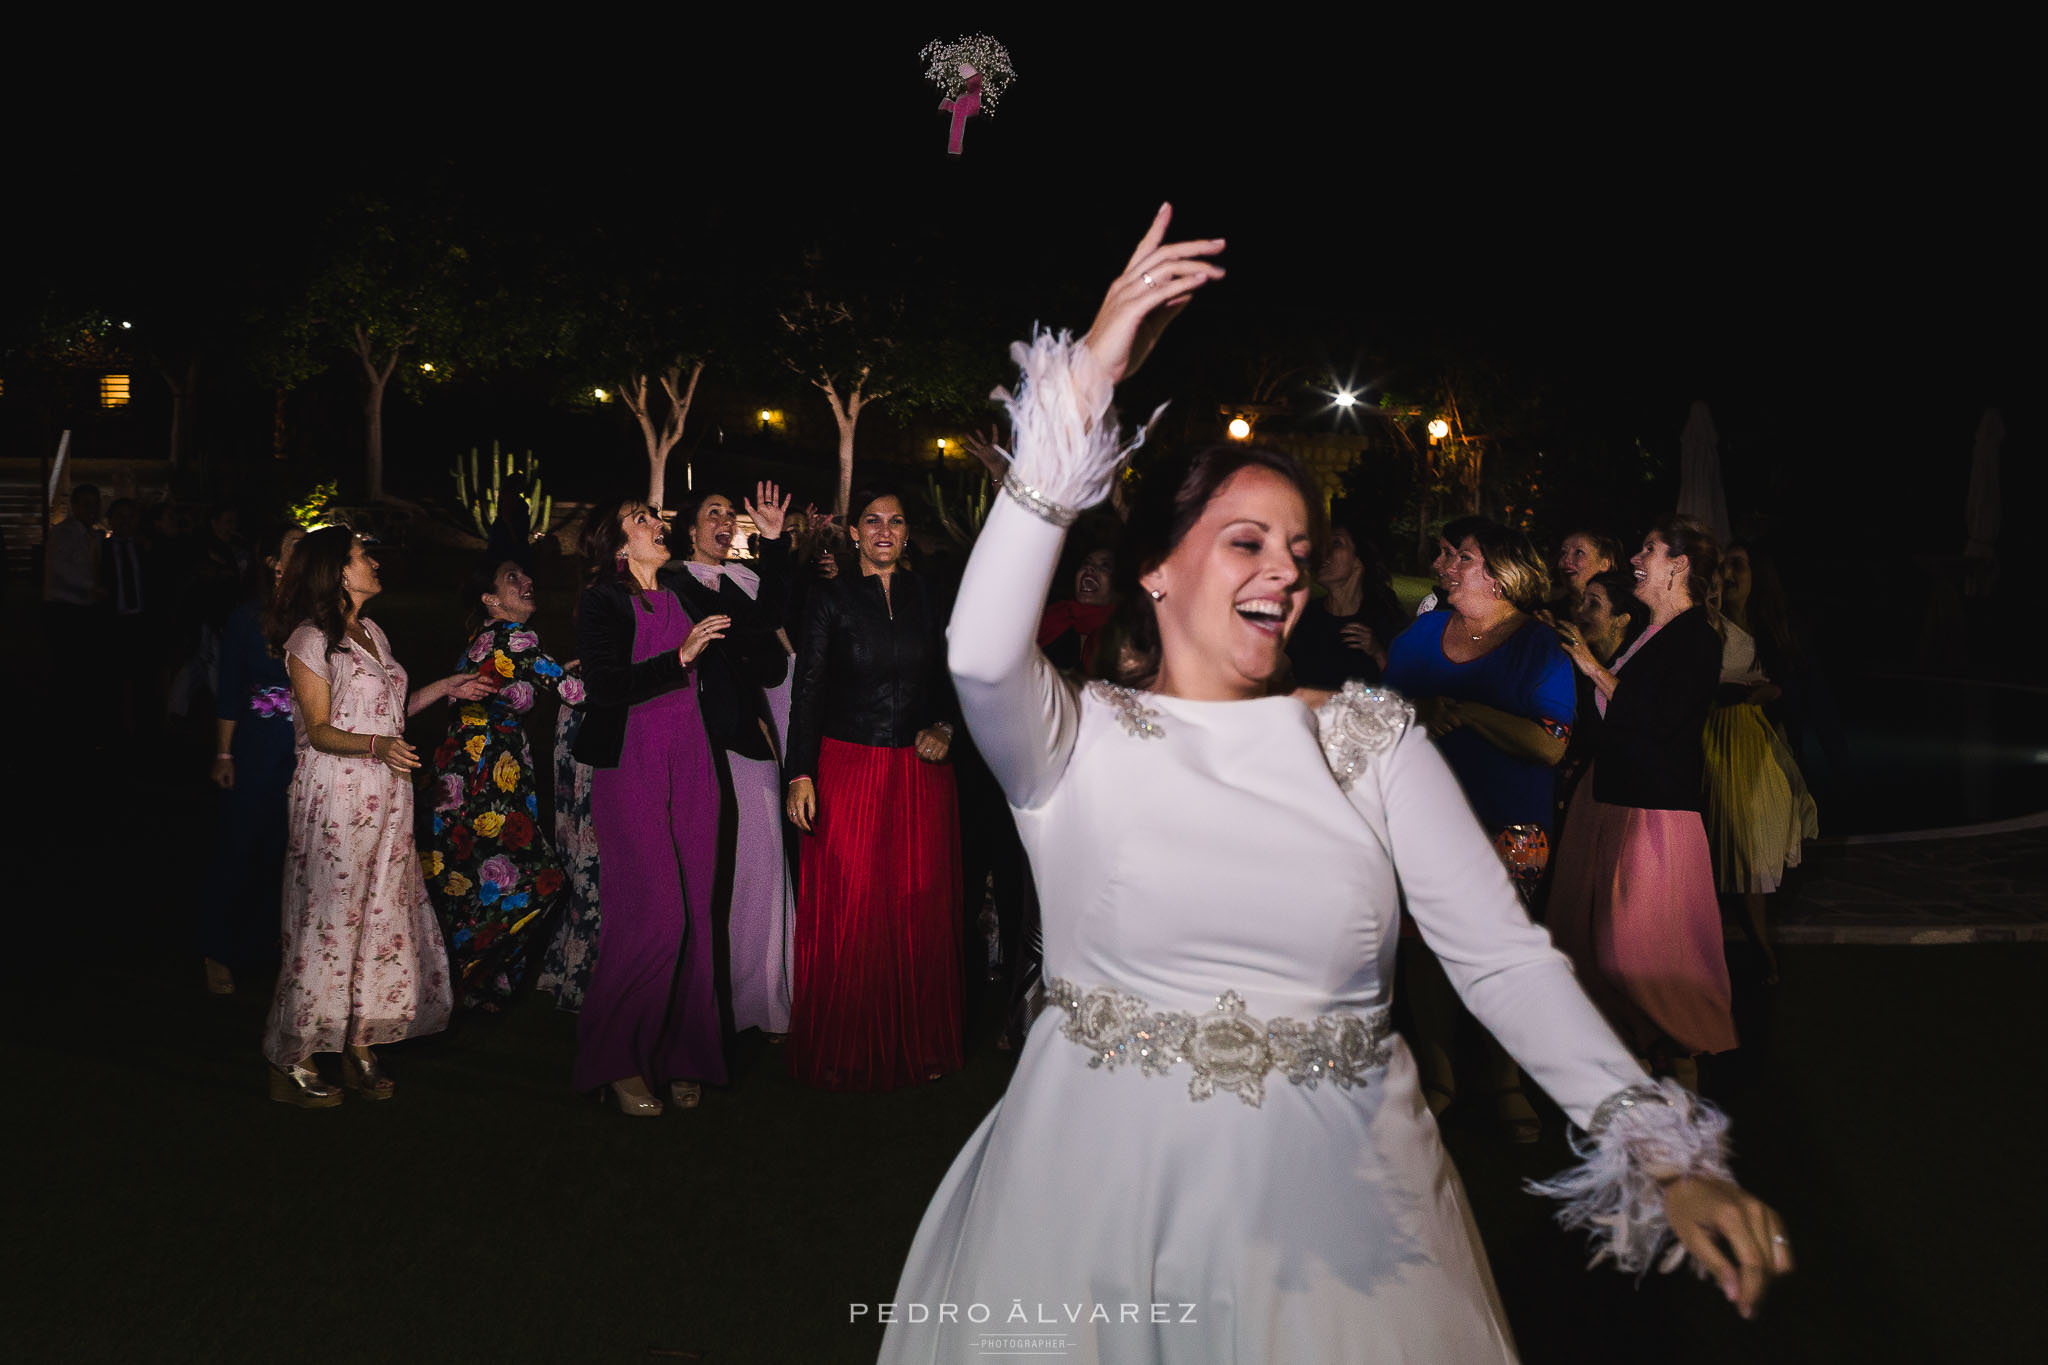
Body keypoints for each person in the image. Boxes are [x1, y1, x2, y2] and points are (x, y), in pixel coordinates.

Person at [880, 208, 1788, 1364]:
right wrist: (1086, 382)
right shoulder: (1070, 740)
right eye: (1245, 542)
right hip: (1093, 1202)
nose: (1282, 574)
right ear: (1155, 570)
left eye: (1299, 552)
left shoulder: (1368, 741)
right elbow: (974, 652)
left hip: (1349, 1203)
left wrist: (1657, 1147)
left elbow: (1498, 958)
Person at [260, 528, 493, 1107]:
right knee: (326, 923)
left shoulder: (374, 632)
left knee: (380, 917)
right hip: (336, 795)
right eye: (364, 556)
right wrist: (377, 749)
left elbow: (386, 712)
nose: (375, 562)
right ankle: (295, 1055)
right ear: (338, 571)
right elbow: (319, 730)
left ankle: (360, 1042)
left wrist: (446, 687)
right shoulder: (311, 640)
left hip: (386, 794)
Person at [1383, 519, 1575, 1141]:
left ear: (1497, 573)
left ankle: (1506, 1083)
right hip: (1423, 820)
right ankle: (1441, 1079)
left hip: (1509, 826)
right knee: (1422, 949)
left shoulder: (1536, 645)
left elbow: (1550, 746)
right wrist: (1422, 710)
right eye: (1443, 551)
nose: (1441, 562)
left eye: (1457, 555)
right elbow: (1380, 717)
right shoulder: (1420, 637)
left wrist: (1466, 712)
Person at [784, 487, 963, 1091]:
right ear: (854, 534)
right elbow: (806, 689)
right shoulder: (829, 599)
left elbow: (951, 678)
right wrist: (800, 773)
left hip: (919, 773)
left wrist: (944, 726)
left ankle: (918, 1041)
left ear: (908, 534)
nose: (884, 529)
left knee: (916, 905)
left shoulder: (928, 597)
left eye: (896, 519)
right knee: (853, 910)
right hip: (848, 767)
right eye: (872, 521)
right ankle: (844, 1048)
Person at [1552, 516, 1737, 1090]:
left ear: (1679, 566)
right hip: (1607, 800)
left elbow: (1654, 721)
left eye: (1649, 550)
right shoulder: (1647, 635)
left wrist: (1590, 666)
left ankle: (1681, 1068)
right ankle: (1647, 1075)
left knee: (1637, 953)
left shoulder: (1699, 637)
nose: (1636, 556)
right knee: (1586, 942)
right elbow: (1611, 722)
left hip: (1654, 816)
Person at [571, 498, 731, 1116]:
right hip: (634, 764)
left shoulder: (680, 592)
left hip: (692, 763)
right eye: (640, 518)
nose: (657, 525)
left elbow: (757, 622)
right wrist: (682, 657)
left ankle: (683, 1054)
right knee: (655, 916)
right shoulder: (602, 600)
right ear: (616, 543)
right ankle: (619, 1059)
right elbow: (607, 686)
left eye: (655, 518)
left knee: (696, 913)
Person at [419, 557, 578, 1010]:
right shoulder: (513, 637)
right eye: (513, 578)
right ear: (491, 598)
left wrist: (558, 670)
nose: (528, 581)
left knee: (474, 881)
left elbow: (533, 676)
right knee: (539, 878)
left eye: (526, 574)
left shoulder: (489, 637)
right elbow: (578, 695)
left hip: (466, 772)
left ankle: (474, 983)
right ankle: (467, 966)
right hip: (485, 776)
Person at [670, 483, 798, 1037]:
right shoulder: (673, 581)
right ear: (691, 528)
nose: (724, 522)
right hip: (700, 741)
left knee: (766, 865)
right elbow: (749, 630)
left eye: (729, 514)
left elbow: (775, 638)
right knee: (718, 872)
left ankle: (764, 997)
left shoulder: (744, 579)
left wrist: (772, 542)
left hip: (751, 737)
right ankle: (712, 998)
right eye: (712, 513)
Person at [198, 522, 305, 995]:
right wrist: (223, 752)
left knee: (287, 851)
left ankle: (269, 946)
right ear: (274, 564)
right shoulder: (247, 618)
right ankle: (217, 950)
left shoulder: (320, 617)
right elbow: (229, 691)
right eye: (296, 546)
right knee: (241, 847)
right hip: (258, 747)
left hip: (306, 750)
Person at [1702, 547, 1817, 985]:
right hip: (1714, 736)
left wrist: (1770, 694)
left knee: (1750, 847)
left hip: (1755, 741)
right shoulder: (1705, 622)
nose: (1729, 574)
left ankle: (1759, 948)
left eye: (1739, 565)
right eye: (1723, 565)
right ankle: (1721, 952)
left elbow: (1791, 685)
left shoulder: (1771, 628)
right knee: (1718, 842)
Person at [534, 663, 597, 1010]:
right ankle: (583, 972)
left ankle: (576, 967)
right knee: (588, 851)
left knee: (586, 851)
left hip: (589, 715)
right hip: (591, 721)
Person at [1286, 518, 1405, 688]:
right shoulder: (1305, 617)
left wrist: (1378, 652)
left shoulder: (1386, 618)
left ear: (1359, 561)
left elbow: (1407, 687)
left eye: (1336, 543)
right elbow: (1277, 671)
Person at [1553, 529, 1623, 613]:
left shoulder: (1619, 610)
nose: (1566, 559)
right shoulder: (1551, 610)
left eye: (1579, 552)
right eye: (1563, 553)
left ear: (1604, 564)